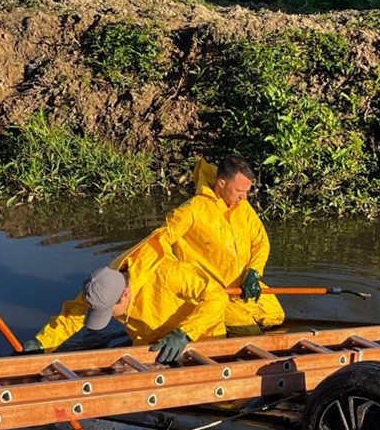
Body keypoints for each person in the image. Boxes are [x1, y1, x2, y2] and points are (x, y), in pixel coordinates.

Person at [22, 234, 227, 364]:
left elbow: (217, 296)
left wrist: (185, 334)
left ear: (125, 295)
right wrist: (41, 342)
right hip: (150, 343)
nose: (108, 317)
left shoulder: (167, 274)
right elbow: (73, 316)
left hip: (200, 337)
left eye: (108, 312)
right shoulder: (103, 285)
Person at [156, 155, 285, 336]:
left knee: (275, 317)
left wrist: (254, 272)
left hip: (240, 285)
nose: (244, 196)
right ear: (222, 183)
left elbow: (260, 241)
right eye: (240, 190)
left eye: (247, 191)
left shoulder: (243, 207)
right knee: (249, 334)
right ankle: (214, 323)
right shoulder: (191, 210)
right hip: (215, 292)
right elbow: (158, 243)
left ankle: (228, 322)